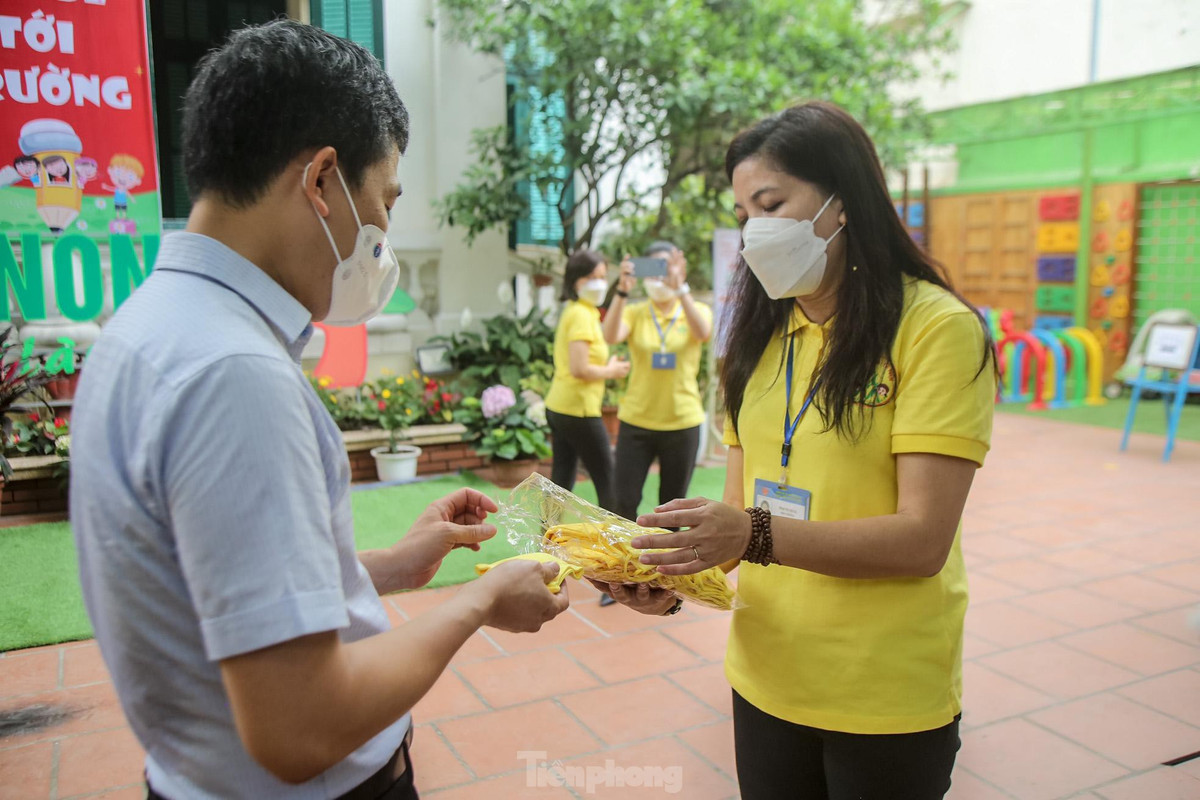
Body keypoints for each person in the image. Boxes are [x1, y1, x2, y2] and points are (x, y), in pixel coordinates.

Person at [70, 21, 568, 800]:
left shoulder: (144, 330)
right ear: (323, 181)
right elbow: (300, 726)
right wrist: (479, 601)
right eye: (386, 199)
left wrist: (395, 567)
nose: (383, 232)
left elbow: (222, 590)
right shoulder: (233, 375)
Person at [601, 102, 997, 800]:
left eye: (771, 203)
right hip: (764, 677)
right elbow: (736, 525)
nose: (754, 229)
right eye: (743, 211)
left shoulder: (935, 330)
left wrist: (750, 532)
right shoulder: (755, 341)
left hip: (883, 695)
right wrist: (666, 578)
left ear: (842, 202)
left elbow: (921, 540)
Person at [603, 241, 712, 523]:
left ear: (680, 269)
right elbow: (610, 335)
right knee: (622, 502)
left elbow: (703, 332)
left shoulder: (695, 308)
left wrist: (681, 288)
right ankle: (621, 564)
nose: (658, 278)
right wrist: (622, 290)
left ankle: (663, 567)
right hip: (636, 421)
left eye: (665, 268)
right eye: (652, 270)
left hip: (682, 422)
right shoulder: (636, 311)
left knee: (673, 509)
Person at [544, 249, 630, 512]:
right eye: (591, 277)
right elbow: (580, 368)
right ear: (574, 280)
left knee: (561, 480)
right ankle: (617, 543)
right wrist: (611, 371)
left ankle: (546, 540)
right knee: (610, 479)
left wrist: (624, 290)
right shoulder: (581, 314)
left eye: (603, 276)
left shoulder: (580, 310)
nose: (599, 283)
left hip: (561, 406)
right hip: (578, 409)